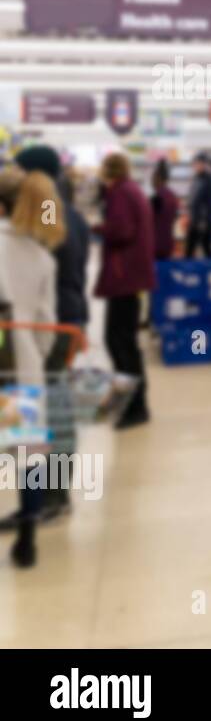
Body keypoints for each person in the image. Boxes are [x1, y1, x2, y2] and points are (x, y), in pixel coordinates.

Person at [4, 146, 90, 525]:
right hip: (57, 316)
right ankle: (47, 497)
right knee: (46, 409)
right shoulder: (57, 205)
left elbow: (53, 249)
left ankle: (50, 498)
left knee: (47, 411)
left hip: (54, 322)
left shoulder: (51, 209)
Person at [0, 167, 66, 568]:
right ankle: (27, 538)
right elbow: (46, 326)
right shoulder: (42, 256)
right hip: (20, 369)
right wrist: (32, 358)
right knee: (28, 453)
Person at [95, 153, 155, 430]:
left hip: (124, 275)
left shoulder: (119, 193)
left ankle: (135, 406)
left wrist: (96, 227)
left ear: (109, 170)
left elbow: (121, 231)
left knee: (119, 341)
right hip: (131, 275)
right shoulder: (131, 190)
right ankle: (133, 401)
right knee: (124, 341)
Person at [184, 152, 211, 259]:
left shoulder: (209, 180)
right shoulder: (196, 178)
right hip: (194, 221)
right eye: (195, 163)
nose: (196, 166)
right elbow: (193, 200)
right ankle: (188, 273)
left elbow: (209, 202)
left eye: (199, 163)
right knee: (189, 251)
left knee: (206, 250)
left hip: (203, 222)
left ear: (204, 164)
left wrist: (204, 221)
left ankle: (210, 274)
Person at [150, 161, 179, 262]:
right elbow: (175, 216)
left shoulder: (156, 197)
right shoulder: (172, 195)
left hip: (155, 243)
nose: (151, 181)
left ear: (158, 179)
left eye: (153, 178)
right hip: (168, 241)